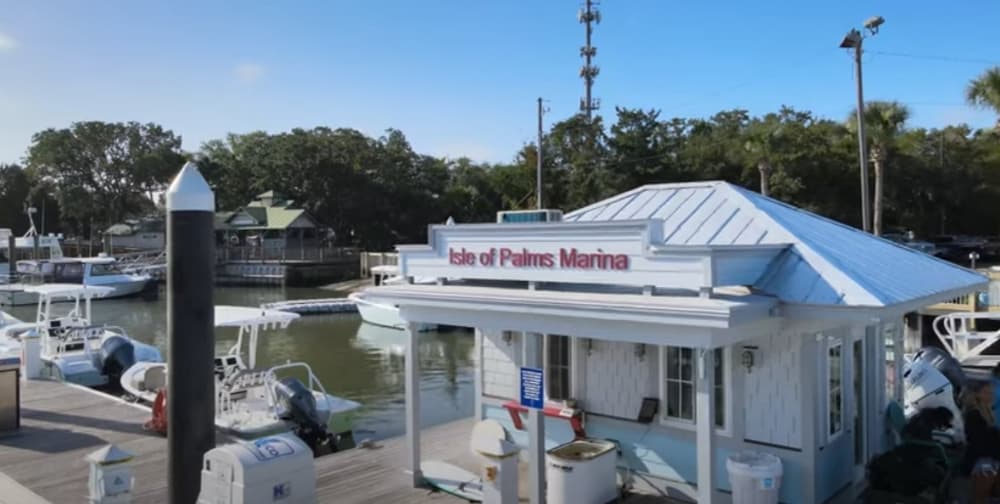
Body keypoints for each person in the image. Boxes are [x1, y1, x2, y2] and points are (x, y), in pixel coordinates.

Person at [961, 379, 1000, 503]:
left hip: (990, 457)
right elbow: (979, 442)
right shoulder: (974, 415)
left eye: (990, 392)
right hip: (982, 460)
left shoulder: (986, 412)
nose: (991, 395)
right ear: (976, 394)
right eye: (986, 392)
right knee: (980, 498)